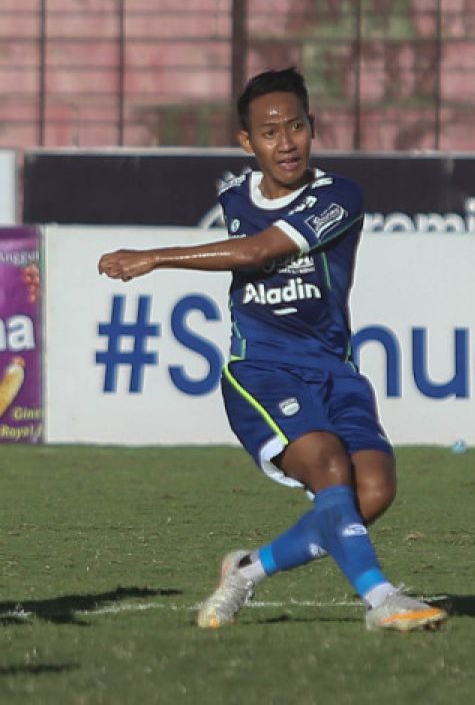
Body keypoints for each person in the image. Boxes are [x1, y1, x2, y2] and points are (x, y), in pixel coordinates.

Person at [98, 67, 446, 633]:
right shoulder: (237, 196)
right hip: (261, 373)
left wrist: (155, 255)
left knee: (372, 492)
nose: (285, 143)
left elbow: (259, 250)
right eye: (269, 131)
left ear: (314, 128)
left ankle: (247, 571)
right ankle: (382, 599)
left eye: (296, 127)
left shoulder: (339, 198)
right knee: (329, 464)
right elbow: (249, 238)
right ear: (247, 142)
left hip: (335, 373)